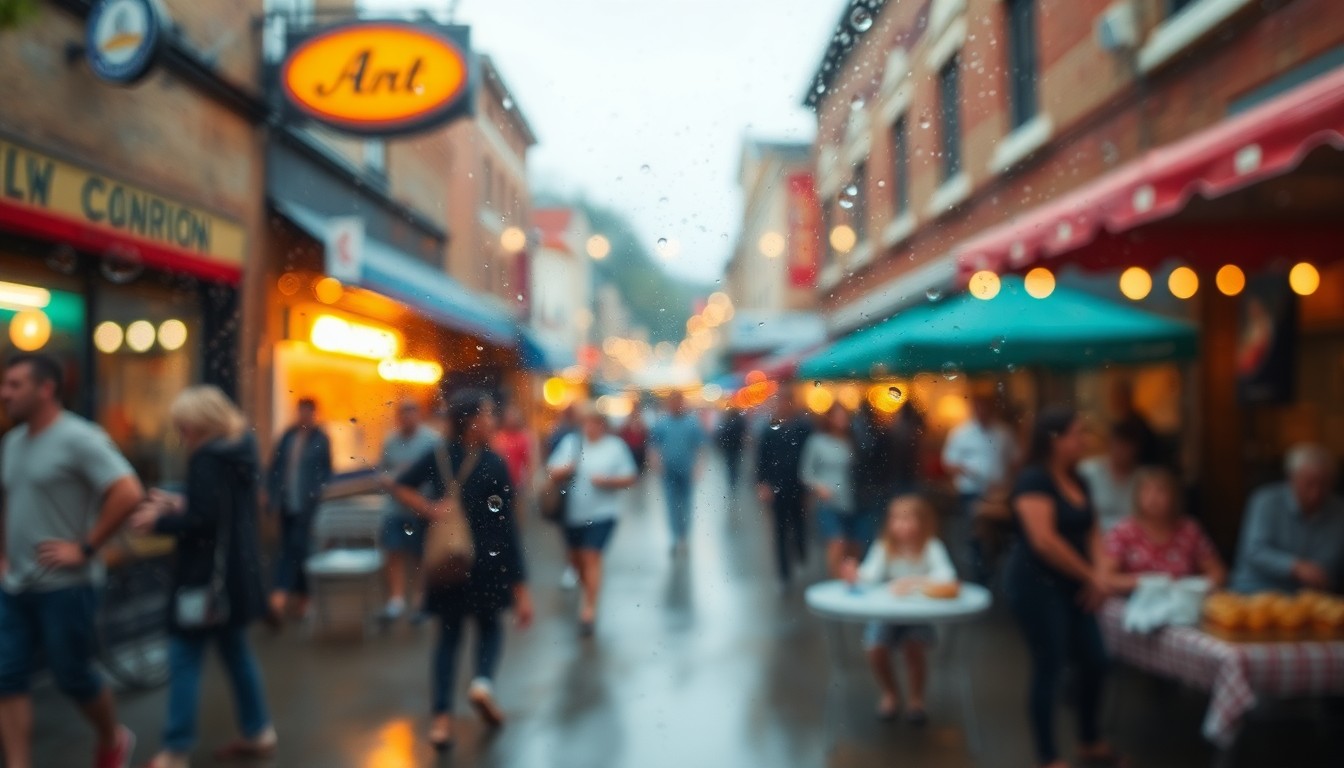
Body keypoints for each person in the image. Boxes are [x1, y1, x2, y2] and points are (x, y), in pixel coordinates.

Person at [0, 353, 142, 768]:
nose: (4, 393)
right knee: (6, 678)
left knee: (72, 676)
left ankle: (112, 738)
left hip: (68, 585)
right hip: (14, 586)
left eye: (14, 385)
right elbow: (7, 501)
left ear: (46, 389)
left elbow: (128, 492)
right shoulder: (10, 443)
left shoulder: (80, 437)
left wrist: (85, 546)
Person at [130, 387, 276, 768]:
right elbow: (222, 509)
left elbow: (204, 521)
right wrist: (181, 498)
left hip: (205, 580)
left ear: (200, 424)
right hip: (235, 576)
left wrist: (158, 520)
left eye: (184, 428)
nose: (182, 436)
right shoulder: (239, 450)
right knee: (236, 653)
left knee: (184, 656)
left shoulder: (207, 458)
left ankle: (176, 749)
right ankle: (258, 730)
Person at [385, 390, 533, 749]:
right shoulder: (495, 464)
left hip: (447, 564)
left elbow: (397, 485)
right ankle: (481, 683)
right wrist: (521, 586)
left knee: (447, 641)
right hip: (487, 564)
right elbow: (507, 527)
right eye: (487, 414)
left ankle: (441, 723)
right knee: (489, 629)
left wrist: (429, 509)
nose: (493, 421)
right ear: (472, 421)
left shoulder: (437, 455)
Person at [1005, 406, 1116, 768]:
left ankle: (1088, 738)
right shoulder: (1032, 480)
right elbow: (1044, 541)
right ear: (1055, 439)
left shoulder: (1080, 479)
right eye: (1077, 433)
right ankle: (1048, 755)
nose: (1083, 440)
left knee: (1096, 660)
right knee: (1049, 665)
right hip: (1037, 585)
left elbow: (1093, 531)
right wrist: (1091, 576)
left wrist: (1099, 574)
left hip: (1076, 583)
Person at [840, 494, 955, 724]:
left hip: (917, 615)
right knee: (876, 651)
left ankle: (916, 699)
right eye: (896, 519)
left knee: (914, 652)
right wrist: (855, 575)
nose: (901, 525)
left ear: (922, 522)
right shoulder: (885, 547)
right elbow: (870, 574)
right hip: (886, 615)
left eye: (907, 519)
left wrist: (913, 582)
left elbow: (946, 576)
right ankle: (890, 692)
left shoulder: (931, 547)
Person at [546, 404, 638, 635]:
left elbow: (630, 476)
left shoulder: (615, 447)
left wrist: (608, 481)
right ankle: (589, 592)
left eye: (596, 423)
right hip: (572, 515)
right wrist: (565, 470)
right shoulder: (572, 444)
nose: (591, 428)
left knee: (591, 556)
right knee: (576, 560)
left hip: (603, 514)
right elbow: (551, 471)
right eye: (587, 423)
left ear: (603, 426)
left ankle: (588, 609)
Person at [1230, 443, 1344, 594]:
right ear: (1292, 478)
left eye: (1324, 485)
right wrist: (1295, 567)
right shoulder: (1265, 502)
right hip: (1257, 591)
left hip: (1313, 597)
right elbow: (1254, 551)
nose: (1316, 493)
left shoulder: (1339, 510)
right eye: (1309, 484)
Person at [1099, 467, 1226, 593]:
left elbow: (1218, 573)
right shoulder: (1123, 530)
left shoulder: (1189, 530)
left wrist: (1190, 586)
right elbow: (1106, 577)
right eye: (1147, 491)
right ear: (1137, 496)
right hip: (1133, 602)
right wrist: (1144, 583)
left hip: (1180, 600)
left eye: (1160, 491)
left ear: (1174, 496)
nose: (1153, 498)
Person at [264, 397, 332, 621]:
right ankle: (304, 598)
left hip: (307, 505)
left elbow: (327, 472)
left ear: (314, 414)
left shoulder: (321, 439)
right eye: (300, 411)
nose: (303, 416)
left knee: (292, 548)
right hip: (286, 503)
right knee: (298, 550)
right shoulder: (288, 436)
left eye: (307, 412)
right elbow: (275, 468)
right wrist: (271, 496)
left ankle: (279, 597)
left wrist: (317, 493)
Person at [941, 393, 1018, 582]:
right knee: (975, 532)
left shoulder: (1003, 432)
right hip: (971, 491)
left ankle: (993, 570)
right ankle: (978, 574)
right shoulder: (961, 433)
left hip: (998, 492)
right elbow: (948, 463)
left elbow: (1015, 460)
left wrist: (1006, 482)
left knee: (998, 533)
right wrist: (968, 472)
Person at [378, 400, 442, 623]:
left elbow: (438, 474)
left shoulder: (431, 440)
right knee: (393, 551)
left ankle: (419, 599)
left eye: (412, 413)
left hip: (420, 506)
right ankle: (396, 599)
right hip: (395, 507)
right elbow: (383, 470)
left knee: (419, 555)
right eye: (404, 414)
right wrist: (391, 479)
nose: (408, 419)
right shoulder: (391, 441)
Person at [755, 395, 814, 588]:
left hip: (798, 485)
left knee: (799, 525)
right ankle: (784, 574)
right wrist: (762, 484)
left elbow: (809, 456)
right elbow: (762, 458)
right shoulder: (770, 428)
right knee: (780, 531)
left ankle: (800, 553)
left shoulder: (803, 427)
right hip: (776, 487)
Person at [801, 404, 865, 577]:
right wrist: (819, 487)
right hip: (829, 500)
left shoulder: (853, 440)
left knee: (854, 544)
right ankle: (836, 578)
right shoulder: (817, 441)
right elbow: (806, 472)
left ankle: (850, 577)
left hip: (853, 498)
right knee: (837, 542)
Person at [649, 391, 706, 553]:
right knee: (671, 505)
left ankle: (684, 537)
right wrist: (656, 462)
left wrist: (698, 467)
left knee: (687, 504)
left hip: (687, 469)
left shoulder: (692, 423)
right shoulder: (662, 423)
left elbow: (700, 447)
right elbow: (654, 445)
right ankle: (674, 537)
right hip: (668, 471)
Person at [1077, 421, 1144, 533]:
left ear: (1136, 449)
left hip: (1133, 541)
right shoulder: (1087, 472)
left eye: (1127, 446)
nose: (1121, 450)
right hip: (1097, 539)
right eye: (1118, 444)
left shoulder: (1143, 478)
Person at [492, 404, 534, 507]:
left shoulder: (523, 437)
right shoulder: (498, 436)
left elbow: (528, 461)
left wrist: (528, 481)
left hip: (516, 481)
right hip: (499, 480)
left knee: (517, 507)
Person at [715, 406, 748, 489]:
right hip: (736, 447)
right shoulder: (740, 421)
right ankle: (734, 480)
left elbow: (722, 433)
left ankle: (732, 481)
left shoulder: (727, 421)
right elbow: (744, 433)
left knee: (730, 464)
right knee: (735, 464)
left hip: (730, 447)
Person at [618, 403, 650, 475]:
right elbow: (621, 431)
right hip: (630, 448)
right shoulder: (628, 420)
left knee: (640, 467)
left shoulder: (641, 419)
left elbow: (646, 433)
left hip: (640, 449)